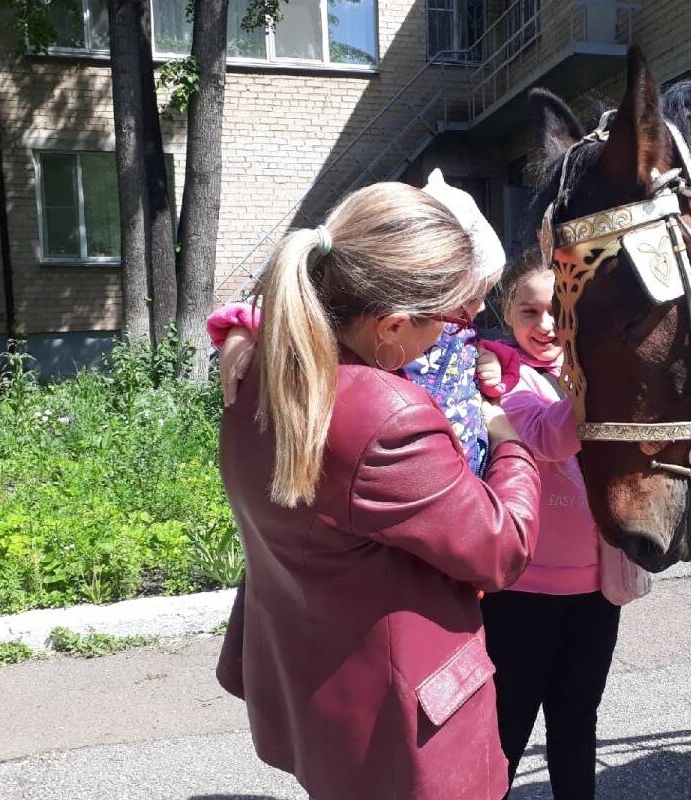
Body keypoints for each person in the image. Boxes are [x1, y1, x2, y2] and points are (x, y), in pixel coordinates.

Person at [214, 180, 541, 800]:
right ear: (391, 325)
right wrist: (510, 436)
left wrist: (239, 329)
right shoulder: (386, 414)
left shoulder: (259, 369)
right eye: (450, 318)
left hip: (317, 691)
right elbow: (504, 547)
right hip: (396, 733)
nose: (460, 330)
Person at [475, 251, 651, 800]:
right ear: (509, 314)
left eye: (558, 311)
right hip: (521, 590)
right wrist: (602, 371)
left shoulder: (580, 372)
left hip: (595, 591)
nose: (545, 325)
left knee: (577, 724)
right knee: (508, 727)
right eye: (529, 312)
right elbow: (552, 437)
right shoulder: (507, 376)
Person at [211, 169, 505, 477]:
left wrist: (496, 362)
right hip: (424, 469)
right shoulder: (408, 320)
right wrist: (241, 331)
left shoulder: (442, 324)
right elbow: (292, 312)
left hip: (468, 463)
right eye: (472, 298)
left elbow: (482, 354)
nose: (481, 308)